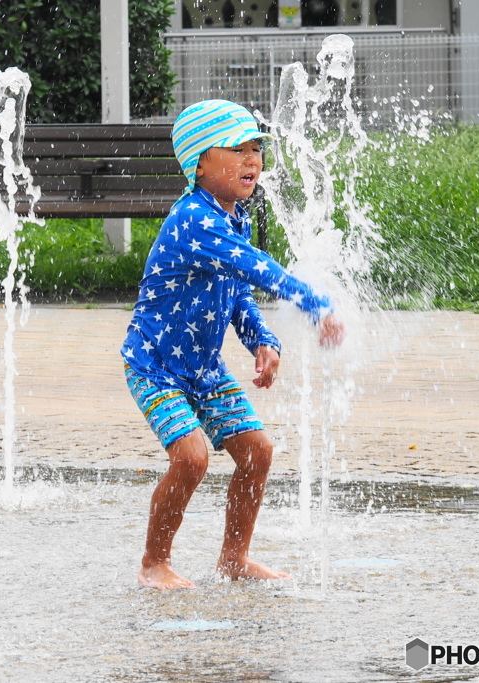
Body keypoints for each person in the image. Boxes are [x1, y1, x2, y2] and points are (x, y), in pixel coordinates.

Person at [121, 99, 346, 590]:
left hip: (203, 368)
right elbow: (252, 267)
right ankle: (153, 563)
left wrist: (261, 340)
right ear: (199, 164)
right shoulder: (194, 221)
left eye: (256, 150)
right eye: (237, 150)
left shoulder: (233, 215)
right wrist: (313, 303)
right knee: (192, 457)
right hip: (156, 366)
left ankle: (233, 558)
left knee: (257, 451)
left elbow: (238, 292)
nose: (252, 160)